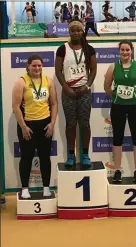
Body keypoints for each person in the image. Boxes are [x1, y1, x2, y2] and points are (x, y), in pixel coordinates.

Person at [12, 55, 58, 199]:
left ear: (42, 66)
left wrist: (52, 123)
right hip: (28, 125)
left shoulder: (48, 81)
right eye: (34, 66)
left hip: (45, 125)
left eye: (39, 66)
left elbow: (54, 104)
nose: (37, 68)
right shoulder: (21, 82)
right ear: (28, 66)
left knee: (45, 157)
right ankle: (25, 188)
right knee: (27, 157)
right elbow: (15, 106)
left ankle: (46, 188)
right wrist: (23, 126)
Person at [104, 40, 136, 182]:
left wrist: (134, 97)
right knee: (117, 138)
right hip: (118, 106)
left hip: (135, 106)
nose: (125, 52)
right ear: (119, 51)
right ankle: (117, 170)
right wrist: (118, 97)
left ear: (131, 51)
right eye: (122, 50)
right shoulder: (113, 67)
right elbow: (107, 87)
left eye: (127, 50)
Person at [55, 20, 97, 167]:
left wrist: (87, 86)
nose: (76, 32)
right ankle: (71, 155)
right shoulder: (62, 49)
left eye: (79, 30)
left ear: (82, 31)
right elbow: (58, 71)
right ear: (69, 32)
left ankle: (85, 155)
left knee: (85, 124)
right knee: (71, 124)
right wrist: (65, 87)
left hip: (84, 92)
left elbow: (93, 71)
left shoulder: (89, 49)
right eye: (73, 30)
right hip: (68, 92)